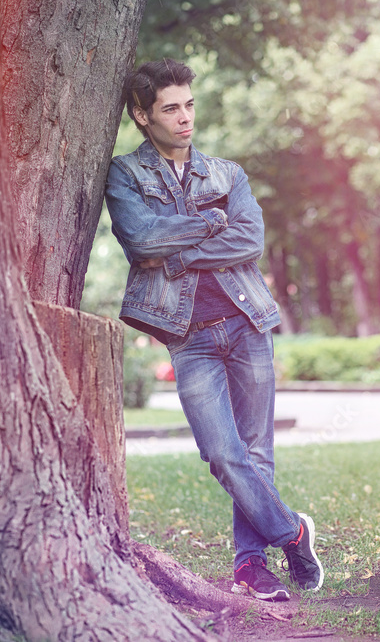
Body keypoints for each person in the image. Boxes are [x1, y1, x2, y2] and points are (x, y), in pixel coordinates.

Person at [104, 58, 323, 602]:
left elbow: (248, 242)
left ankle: (251, 567)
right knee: (223, 453)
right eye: (170, 108)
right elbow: (141, 240)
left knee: (256, 450)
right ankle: (293, 532)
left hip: (248, 322)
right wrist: (209, 222)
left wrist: (179, 258)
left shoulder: (228, 174)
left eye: (189, 105)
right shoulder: (125, 174)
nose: (184, 118)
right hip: (189, 334)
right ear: (141, 115)